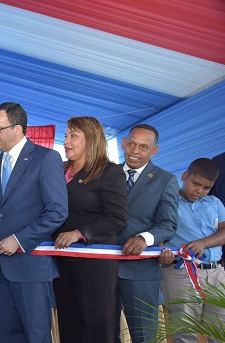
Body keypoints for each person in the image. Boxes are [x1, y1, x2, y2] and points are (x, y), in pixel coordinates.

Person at [0, 102, 68, 342]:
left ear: (18, 129)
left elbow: (57, 212)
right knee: (8, 336)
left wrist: (19, 239)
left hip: (32, 268)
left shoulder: (46, 158)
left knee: (37, 337)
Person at [52, 116, 128, 343]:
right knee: (69, 323)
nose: (66, 141)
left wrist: (80, 233)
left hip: (95, 262)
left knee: (97, 326)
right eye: (66, 135)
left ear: (91, 139)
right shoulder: (59, 170)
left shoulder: (110, 172)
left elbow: (118, 218)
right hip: (62, 261)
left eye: (73, 135)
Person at [114, 124, 178, 343]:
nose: (135, 151)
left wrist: (144, 238)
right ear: (124, 143)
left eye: (143, 147)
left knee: (144, 335)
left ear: (154, 151)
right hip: (102, 269)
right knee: (102, 332)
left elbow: (168, 224)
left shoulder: (165, 180)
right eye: (131, 144)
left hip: (141, 271)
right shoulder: (107, 174)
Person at [159, 158, 225, 343]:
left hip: (217, 273)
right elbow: (159, 235)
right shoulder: (168, 202)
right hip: (180, 272)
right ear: (185, 176)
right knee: (185, 332)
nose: (200, 191)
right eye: (196, 184)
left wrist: (203, 243)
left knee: (220, 329)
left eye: (206, 188)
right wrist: (161, 254)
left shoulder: (214, 203)